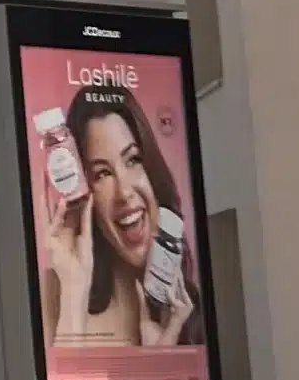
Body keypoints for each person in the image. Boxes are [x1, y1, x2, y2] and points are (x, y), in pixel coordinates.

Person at [39, 83, 203, 350]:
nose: (124, 192)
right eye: (102, 173)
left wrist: (162, 362)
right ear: (84, 189)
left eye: (133, 160)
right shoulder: (54, 293)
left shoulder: (192, 309)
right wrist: (74, 290)